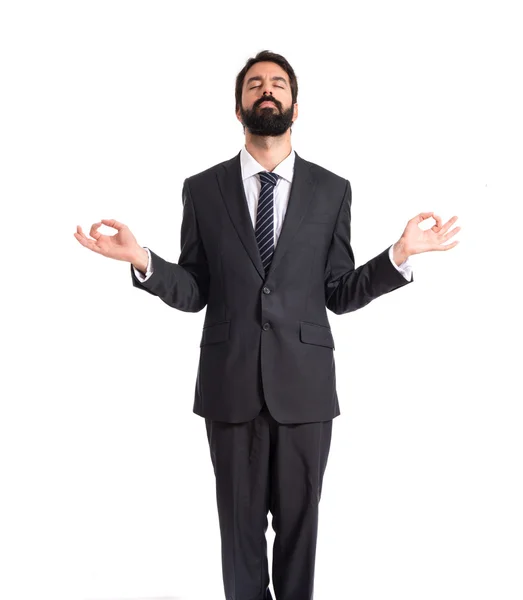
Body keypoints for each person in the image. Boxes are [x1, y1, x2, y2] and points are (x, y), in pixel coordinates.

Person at [74, 50, 460, 600]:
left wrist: (397, 256)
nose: (267, 91)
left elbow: (339, 292)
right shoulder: (202, 189)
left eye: (277, 84)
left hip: (304, 392)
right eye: (255, 85)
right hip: (230, 390)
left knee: (301, 539)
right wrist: (146, 263)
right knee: (240, 541)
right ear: (239, 108)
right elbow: (196, 290)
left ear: (295, 107)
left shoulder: (332, 190)